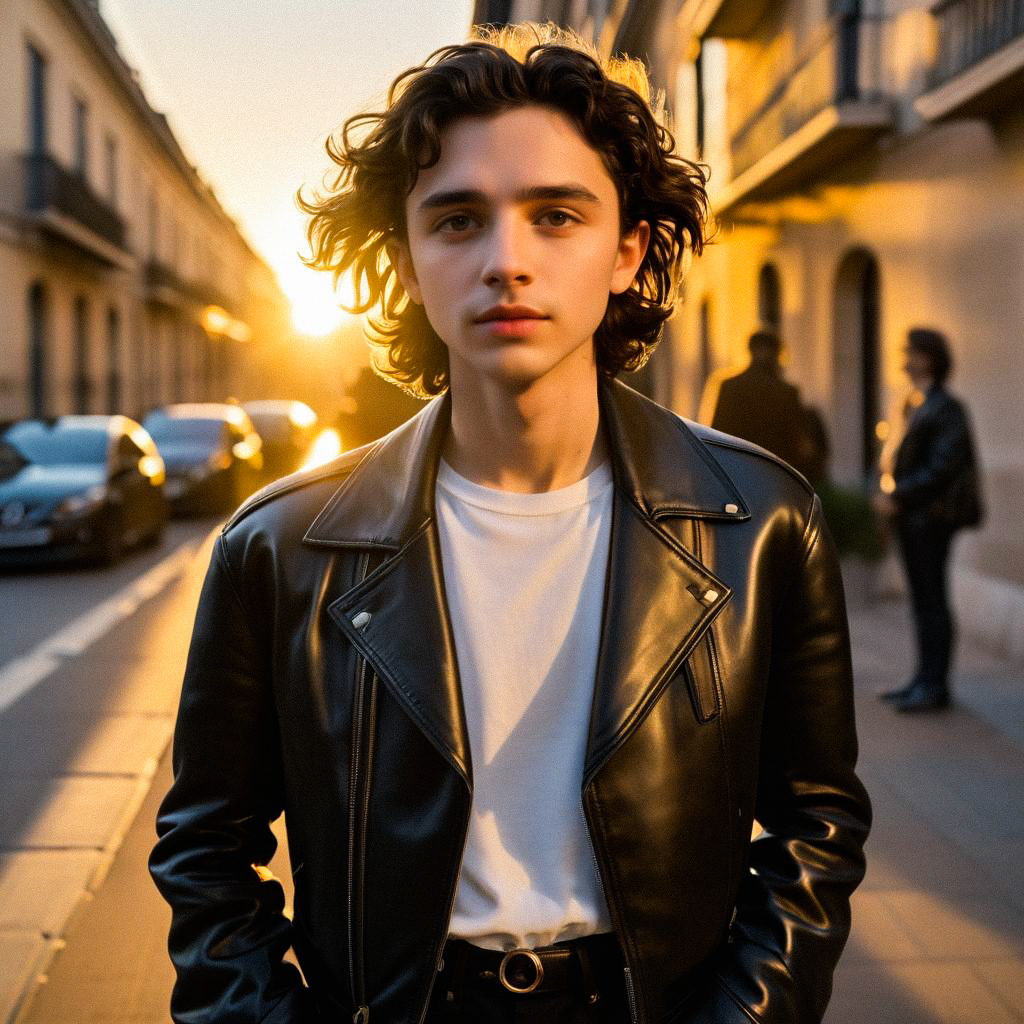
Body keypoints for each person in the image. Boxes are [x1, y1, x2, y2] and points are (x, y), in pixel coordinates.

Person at [150, 24, 871, 1024]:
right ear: (406, 258)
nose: (505, 260)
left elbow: (815, 823)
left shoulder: (762, 523)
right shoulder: (277, 547)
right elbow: (205, 846)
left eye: (554, 216)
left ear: (627, 249)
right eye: (456, 221)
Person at [875, 328, 983, 713]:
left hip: (931, 520)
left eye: (911, 352)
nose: (904, 358)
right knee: (922, 601)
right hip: (913, 518)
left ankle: (935, 686)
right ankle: (923, 679)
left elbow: (942, 468)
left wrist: (898, 496)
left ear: (929, 358)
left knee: (932, 600)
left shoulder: (945, 407)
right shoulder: (914, 403)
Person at [704, 329, 814, 478]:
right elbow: (797, 442)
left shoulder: (729, 386)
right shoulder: (786, 392)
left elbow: (716, 433)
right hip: (774, 472)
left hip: (736, 470)